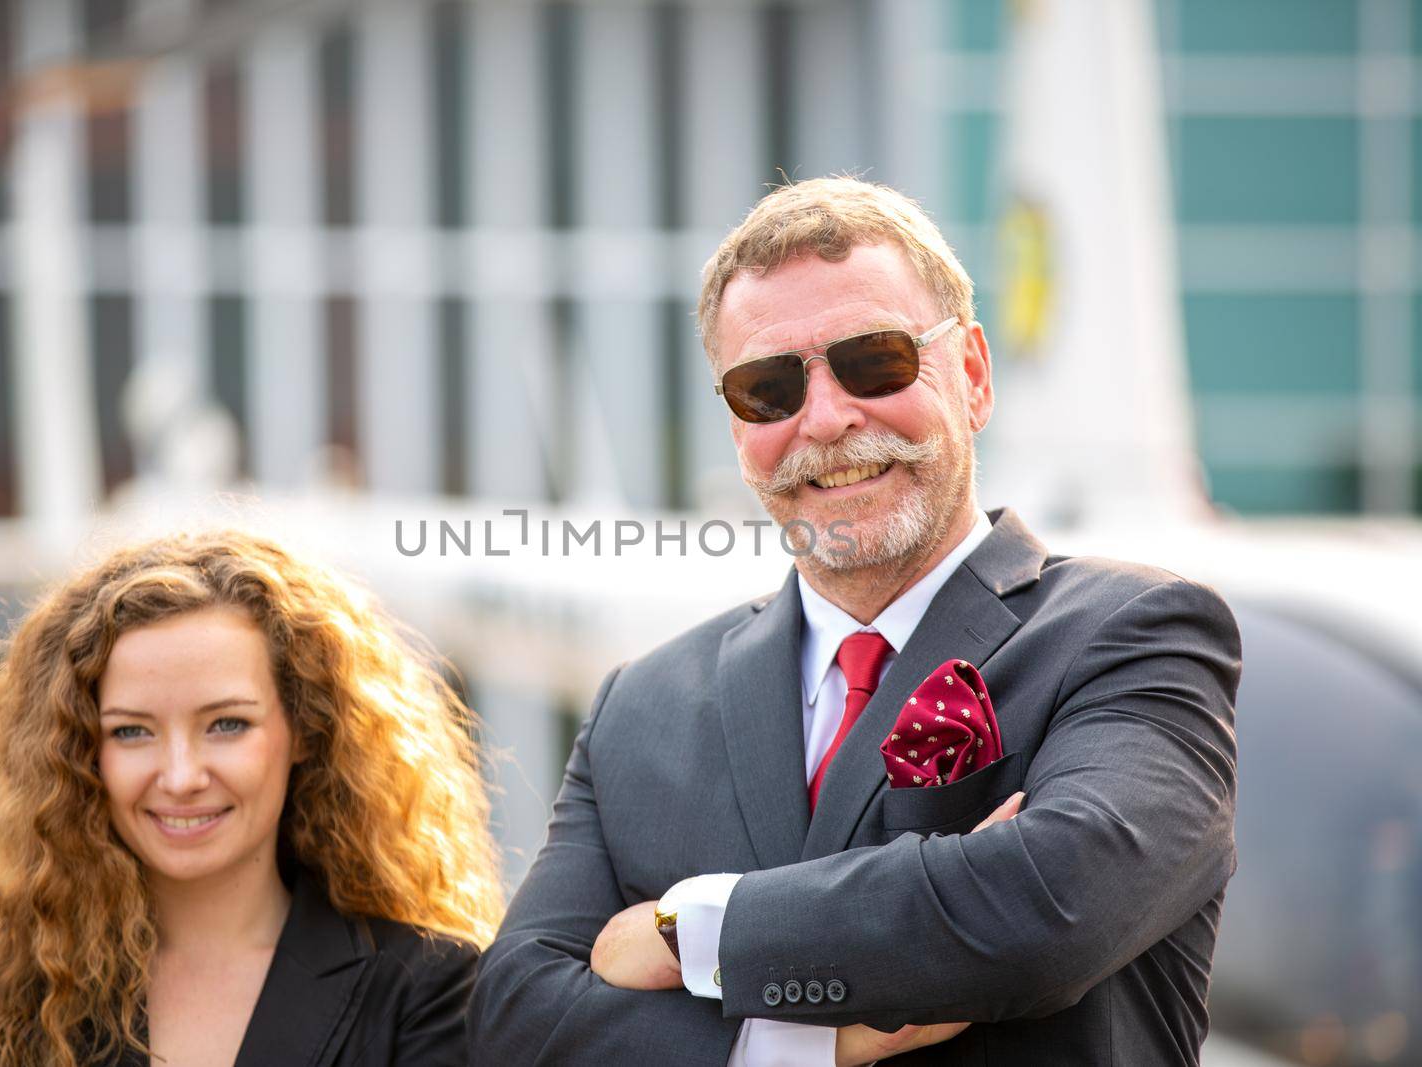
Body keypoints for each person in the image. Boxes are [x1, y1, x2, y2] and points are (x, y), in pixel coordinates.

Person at [471, 177, 1241, 1066]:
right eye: (769, 388)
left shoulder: (1137, 637)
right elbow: (515, 1019)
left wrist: (695, 927)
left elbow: (1050, 906)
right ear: (735, 427)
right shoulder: (639, 708)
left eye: (876, 361)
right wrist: (807, 1046)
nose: (828, 419)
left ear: (975, 377)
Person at [0, 530, 501, 1067]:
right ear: (83, 754)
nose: (180, 776)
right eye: (131, 731)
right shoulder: (10, 1001)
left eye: (226, 725)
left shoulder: (427, 990)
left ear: (304, 730)